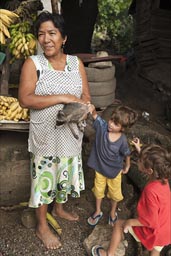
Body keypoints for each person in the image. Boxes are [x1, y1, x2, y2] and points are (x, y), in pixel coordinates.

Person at [18, 11, 91, 250]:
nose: (46, 39)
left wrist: (86, 106)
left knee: (64, 173)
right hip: (45, 136)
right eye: (41, 34)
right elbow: (26, 100)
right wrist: (62, 97)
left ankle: (59, 208)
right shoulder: (33, 63)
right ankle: (41, 225)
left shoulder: (76, 63)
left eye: (52, 33)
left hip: (70, 135)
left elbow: (85, 96)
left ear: (64, 38)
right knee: (44, 179)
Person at [91, 141, 171, 256]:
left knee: (119, 224)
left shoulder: (150, 191)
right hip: (166, 228)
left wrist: (130, 222)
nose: (137, 161)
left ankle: (108, 254)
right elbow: (153, 164)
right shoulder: (163, 179)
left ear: (149, 171)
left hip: (154, 229)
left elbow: (151, 221)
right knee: (156, 250)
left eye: (139, 160)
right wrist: (140, 150)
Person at [87, 104, 138, 226]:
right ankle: (98, 211)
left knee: (115, 194)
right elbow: (95, 116)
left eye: (115, 124)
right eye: (111, 120)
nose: (110, 124)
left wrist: (127, 166)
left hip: (114, 172)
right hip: (99, 169)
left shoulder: (122, 140)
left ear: (123, 128)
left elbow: (127, 153)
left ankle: (113, 212)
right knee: (98, 191)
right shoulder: (103, 127)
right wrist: (92, 109)